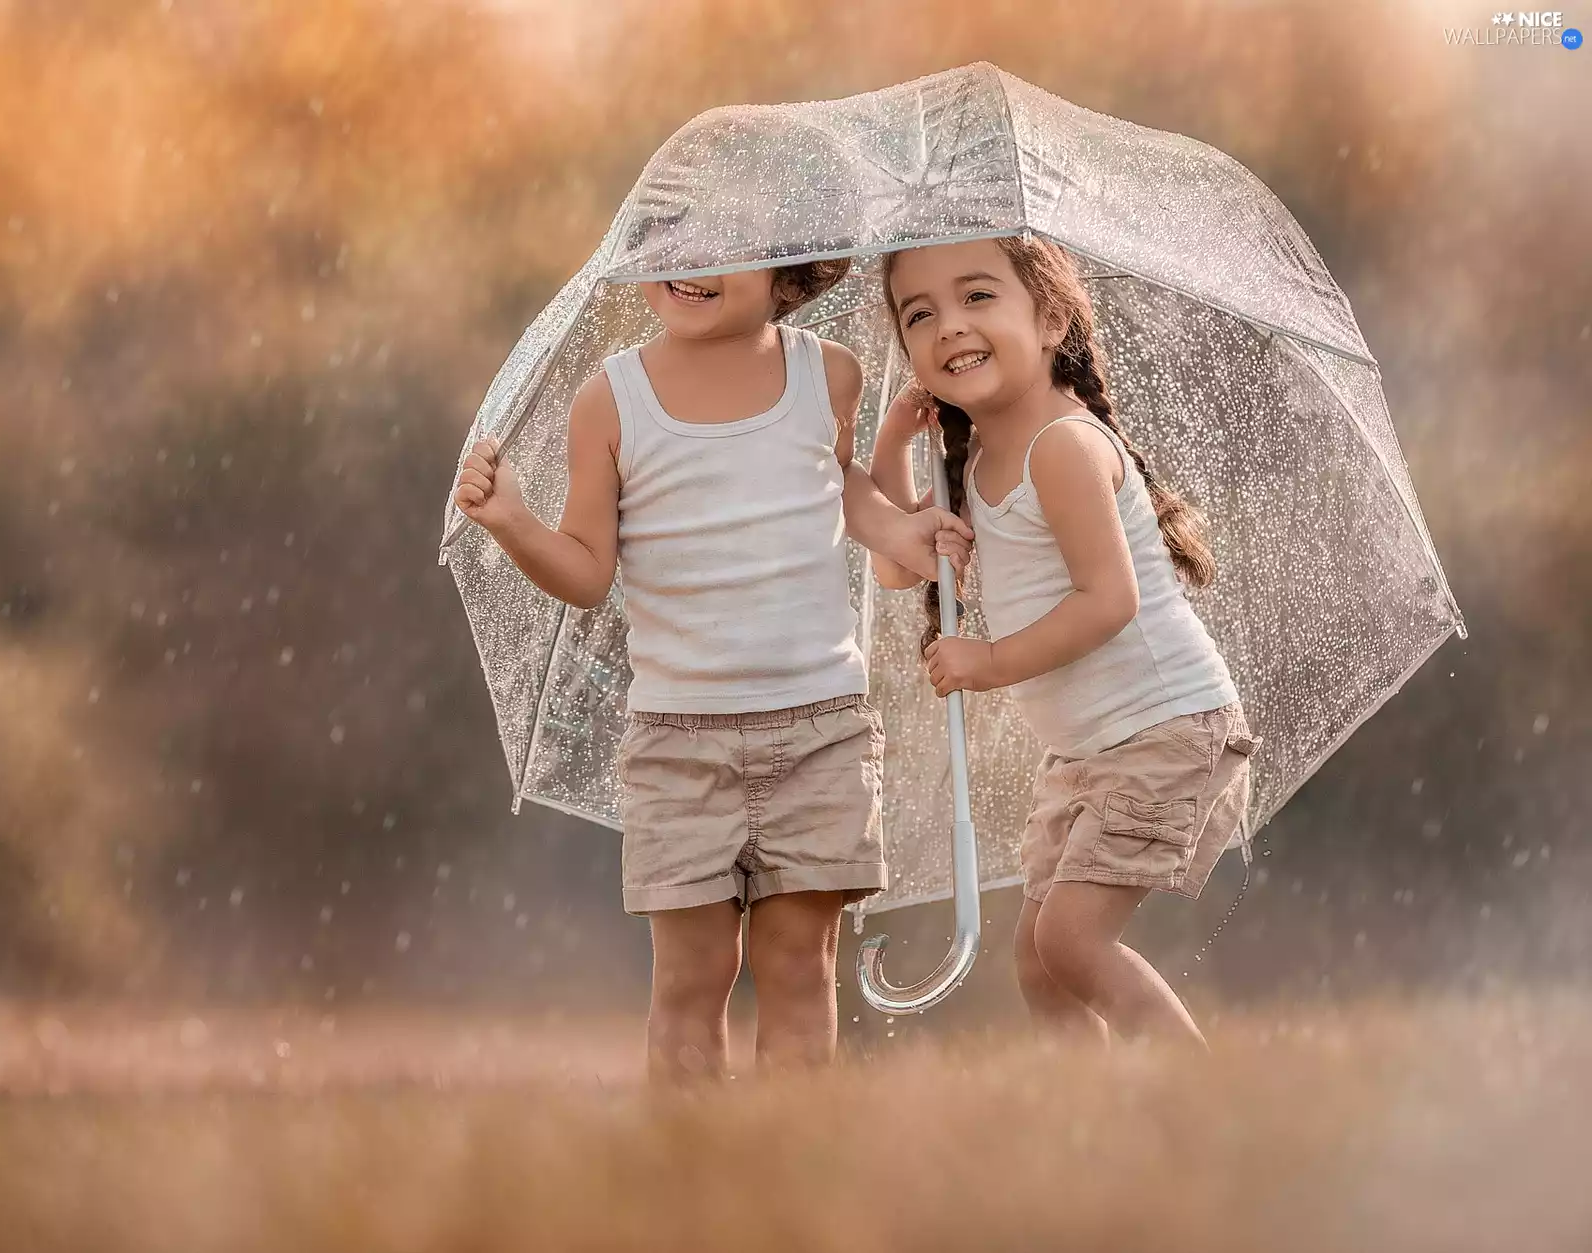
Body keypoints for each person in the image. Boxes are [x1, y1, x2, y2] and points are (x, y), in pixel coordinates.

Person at [455, 259, 970, 1079]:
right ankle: (689, 1166)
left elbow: (841, 487)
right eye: (670, 242)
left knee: (799, 964)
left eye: (724, 245)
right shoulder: (612, 401)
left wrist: (901, 534)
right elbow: (589, 571)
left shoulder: (828, 373)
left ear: (787, 270)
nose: (688, 264)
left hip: (820, 728)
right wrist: (513, 522)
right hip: (678, 740)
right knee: (693, 973)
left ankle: (790, 1162)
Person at [869, 234, 1258, 1049]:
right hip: (1088, 751)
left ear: (1050, 318)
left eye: (978, 297)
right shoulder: (973, 462)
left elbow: (1108, 601)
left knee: (1071, 942)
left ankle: (1211, 1099)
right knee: (1040, 965)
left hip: (1162, 730)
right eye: (920, 312)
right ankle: (1085, 1126)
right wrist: (894, 448)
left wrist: (989, 662)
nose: (949, 326)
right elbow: (902, 570)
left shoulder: (1063, 447)